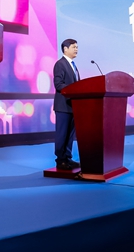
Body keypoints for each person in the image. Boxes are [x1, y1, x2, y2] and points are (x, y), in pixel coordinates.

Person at [53, 38, 81, 171]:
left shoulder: (73, 65)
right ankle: (61, 160)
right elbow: (58, 84)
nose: (76, 49)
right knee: (62, 134)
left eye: (77, 47)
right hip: (63, 106)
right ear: (65, 49)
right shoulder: (60, 64)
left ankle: (68, 158)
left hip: (73, 105)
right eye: (74, 47)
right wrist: (74, 90)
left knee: (70, 135)